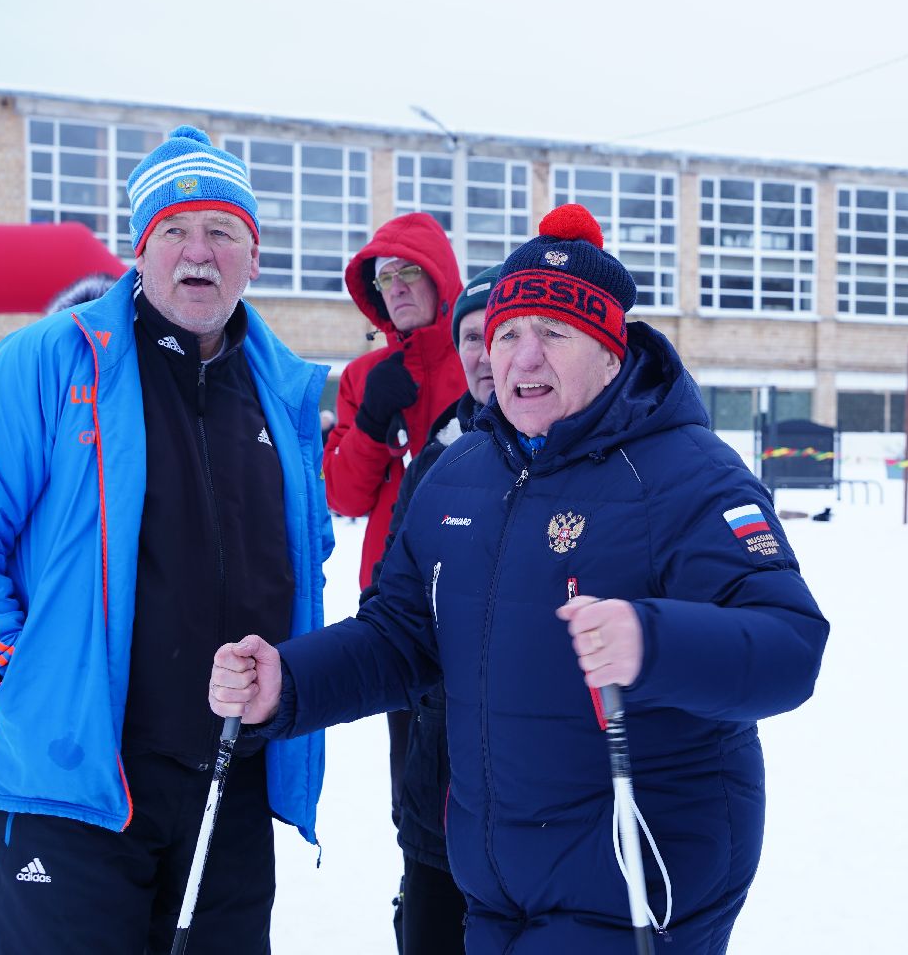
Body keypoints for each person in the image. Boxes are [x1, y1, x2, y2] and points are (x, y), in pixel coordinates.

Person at [210, 204, 829, 954]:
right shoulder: (462, 471)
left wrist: (652, 641)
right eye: (506, 334)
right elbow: (402, 636)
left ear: (610, 351)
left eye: (554, 335)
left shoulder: (691, 475)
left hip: (639, 878)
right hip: (495, 888)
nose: (522, 359)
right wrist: (289, 682)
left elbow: (790, 646)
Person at [0, 125, 332, 954]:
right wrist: (12, 674)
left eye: (221, 232)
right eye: (173, 231)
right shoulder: (48, 361)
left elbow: (304, 552)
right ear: (140, 250)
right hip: (77, 777)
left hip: (229, 778)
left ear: (255, 254)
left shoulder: (282, 391)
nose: (196, 252)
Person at [371, 263, 501, 952]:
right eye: (473, 339)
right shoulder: (442, 446)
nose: (487, 354)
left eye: (499, 334)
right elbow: (353, 496)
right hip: (426, 722)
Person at [323, 211, 467, 589]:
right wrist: (370, 422)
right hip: (386, 585)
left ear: (441, 278)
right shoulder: (361, 377)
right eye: (386, 277)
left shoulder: (482, 363)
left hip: (471, 577)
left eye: (410, 271)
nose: (397, 287)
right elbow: (344, 499)